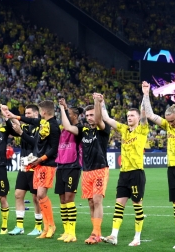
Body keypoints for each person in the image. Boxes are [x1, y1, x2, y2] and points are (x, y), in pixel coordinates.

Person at [143, 71, 175, 249]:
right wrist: (145, 94)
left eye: (172, 122)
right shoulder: (166, 124)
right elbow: (150, 115)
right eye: (168, 122)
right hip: (171, 169)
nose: (170, 125)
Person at [101, 86, 149, 246]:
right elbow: (107, 119)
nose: (129, 117)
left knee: (137, 206)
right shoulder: (124, 130)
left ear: (137, 117)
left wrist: (145, 94)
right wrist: (101, 103)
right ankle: (114, 235)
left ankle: (137, 237)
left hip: (136, 173)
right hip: (124, 174)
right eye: (127, 115)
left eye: (132, 115)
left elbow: (144, 113)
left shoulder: (142, 129)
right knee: (119, 204)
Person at [5, 100, 60, 238]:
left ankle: (50, 225)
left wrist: (40, 159)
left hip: (46, 163)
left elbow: (54, 148)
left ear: (43, 112)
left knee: (40, 195)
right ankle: (47, 227)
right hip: (38, 164)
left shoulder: (54, 126)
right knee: (39, 196)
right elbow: (29, 121)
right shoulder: (43, 123)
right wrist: (13, 116)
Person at [62, 94, 112, 245]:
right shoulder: (83, 130)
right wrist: (62, 109)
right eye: (88, 115)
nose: (90, 117)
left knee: (97, 200)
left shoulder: (103, 128)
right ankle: (96, 232)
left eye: (92, 114)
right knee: (90, 202)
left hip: (100, 169)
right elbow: (67, 127)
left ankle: (95, 233)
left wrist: (97, 102)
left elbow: (98, 120)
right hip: (87, 171)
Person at [7, 104, 43, 236]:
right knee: (18, 194)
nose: (26, 116)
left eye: (29, 114)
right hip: (24, 165)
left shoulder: (41, 126)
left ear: (36, 114)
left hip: (36, 165)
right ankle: (19, 226)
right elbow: (17, 122)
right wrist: (8, 113)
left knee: (35, 198)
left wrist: (21, 133)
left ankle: (38, 227)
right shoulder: (26, 126)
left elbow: (36, 143)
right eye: (25, 114)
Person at [55, 99, 83, 243]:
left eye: (69, 114)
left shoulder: (79, 128)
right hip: (61, 166)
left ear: (75, 116)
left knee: (69, 199)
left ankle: (72, 232)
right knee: (62, 200)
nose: (65, 117)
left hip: (73, 166)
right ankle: (66, 231)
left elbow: (67, 123)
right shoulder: (62, 129)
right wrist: (64, 108)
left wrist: (62, 108)